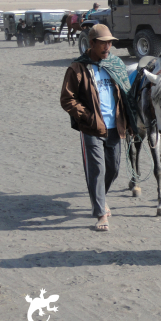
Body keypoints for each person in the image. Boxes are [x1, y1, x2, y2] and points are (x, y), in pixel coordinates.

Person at [60, 24, 137, 232]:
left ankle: (101, 197)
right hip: (92, 129)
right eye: (103, 43)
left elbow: (126, 96)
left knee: (113, 168)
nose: (107, 47)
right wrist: (88, 117)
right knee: (96, 169)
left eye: (110, 43)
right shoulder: (78, 68)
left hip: (115, 126)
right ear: (92, 43)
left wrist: (130, 122)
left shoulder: (115, 64)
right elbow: (67, 99)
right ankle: (101, 213)